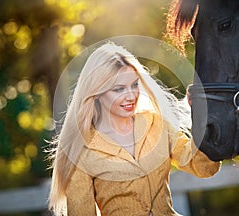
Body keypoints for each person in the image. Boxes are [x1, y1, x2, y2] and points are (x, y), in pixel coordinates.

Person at [48, 42, 221, 216]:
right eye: (119, 89)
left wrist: (202, 116)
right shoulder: (81, 152)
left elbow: (203, 168)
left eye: (134, 85)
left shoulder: (156, 125)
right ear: (97, 92)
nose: (131, 96)